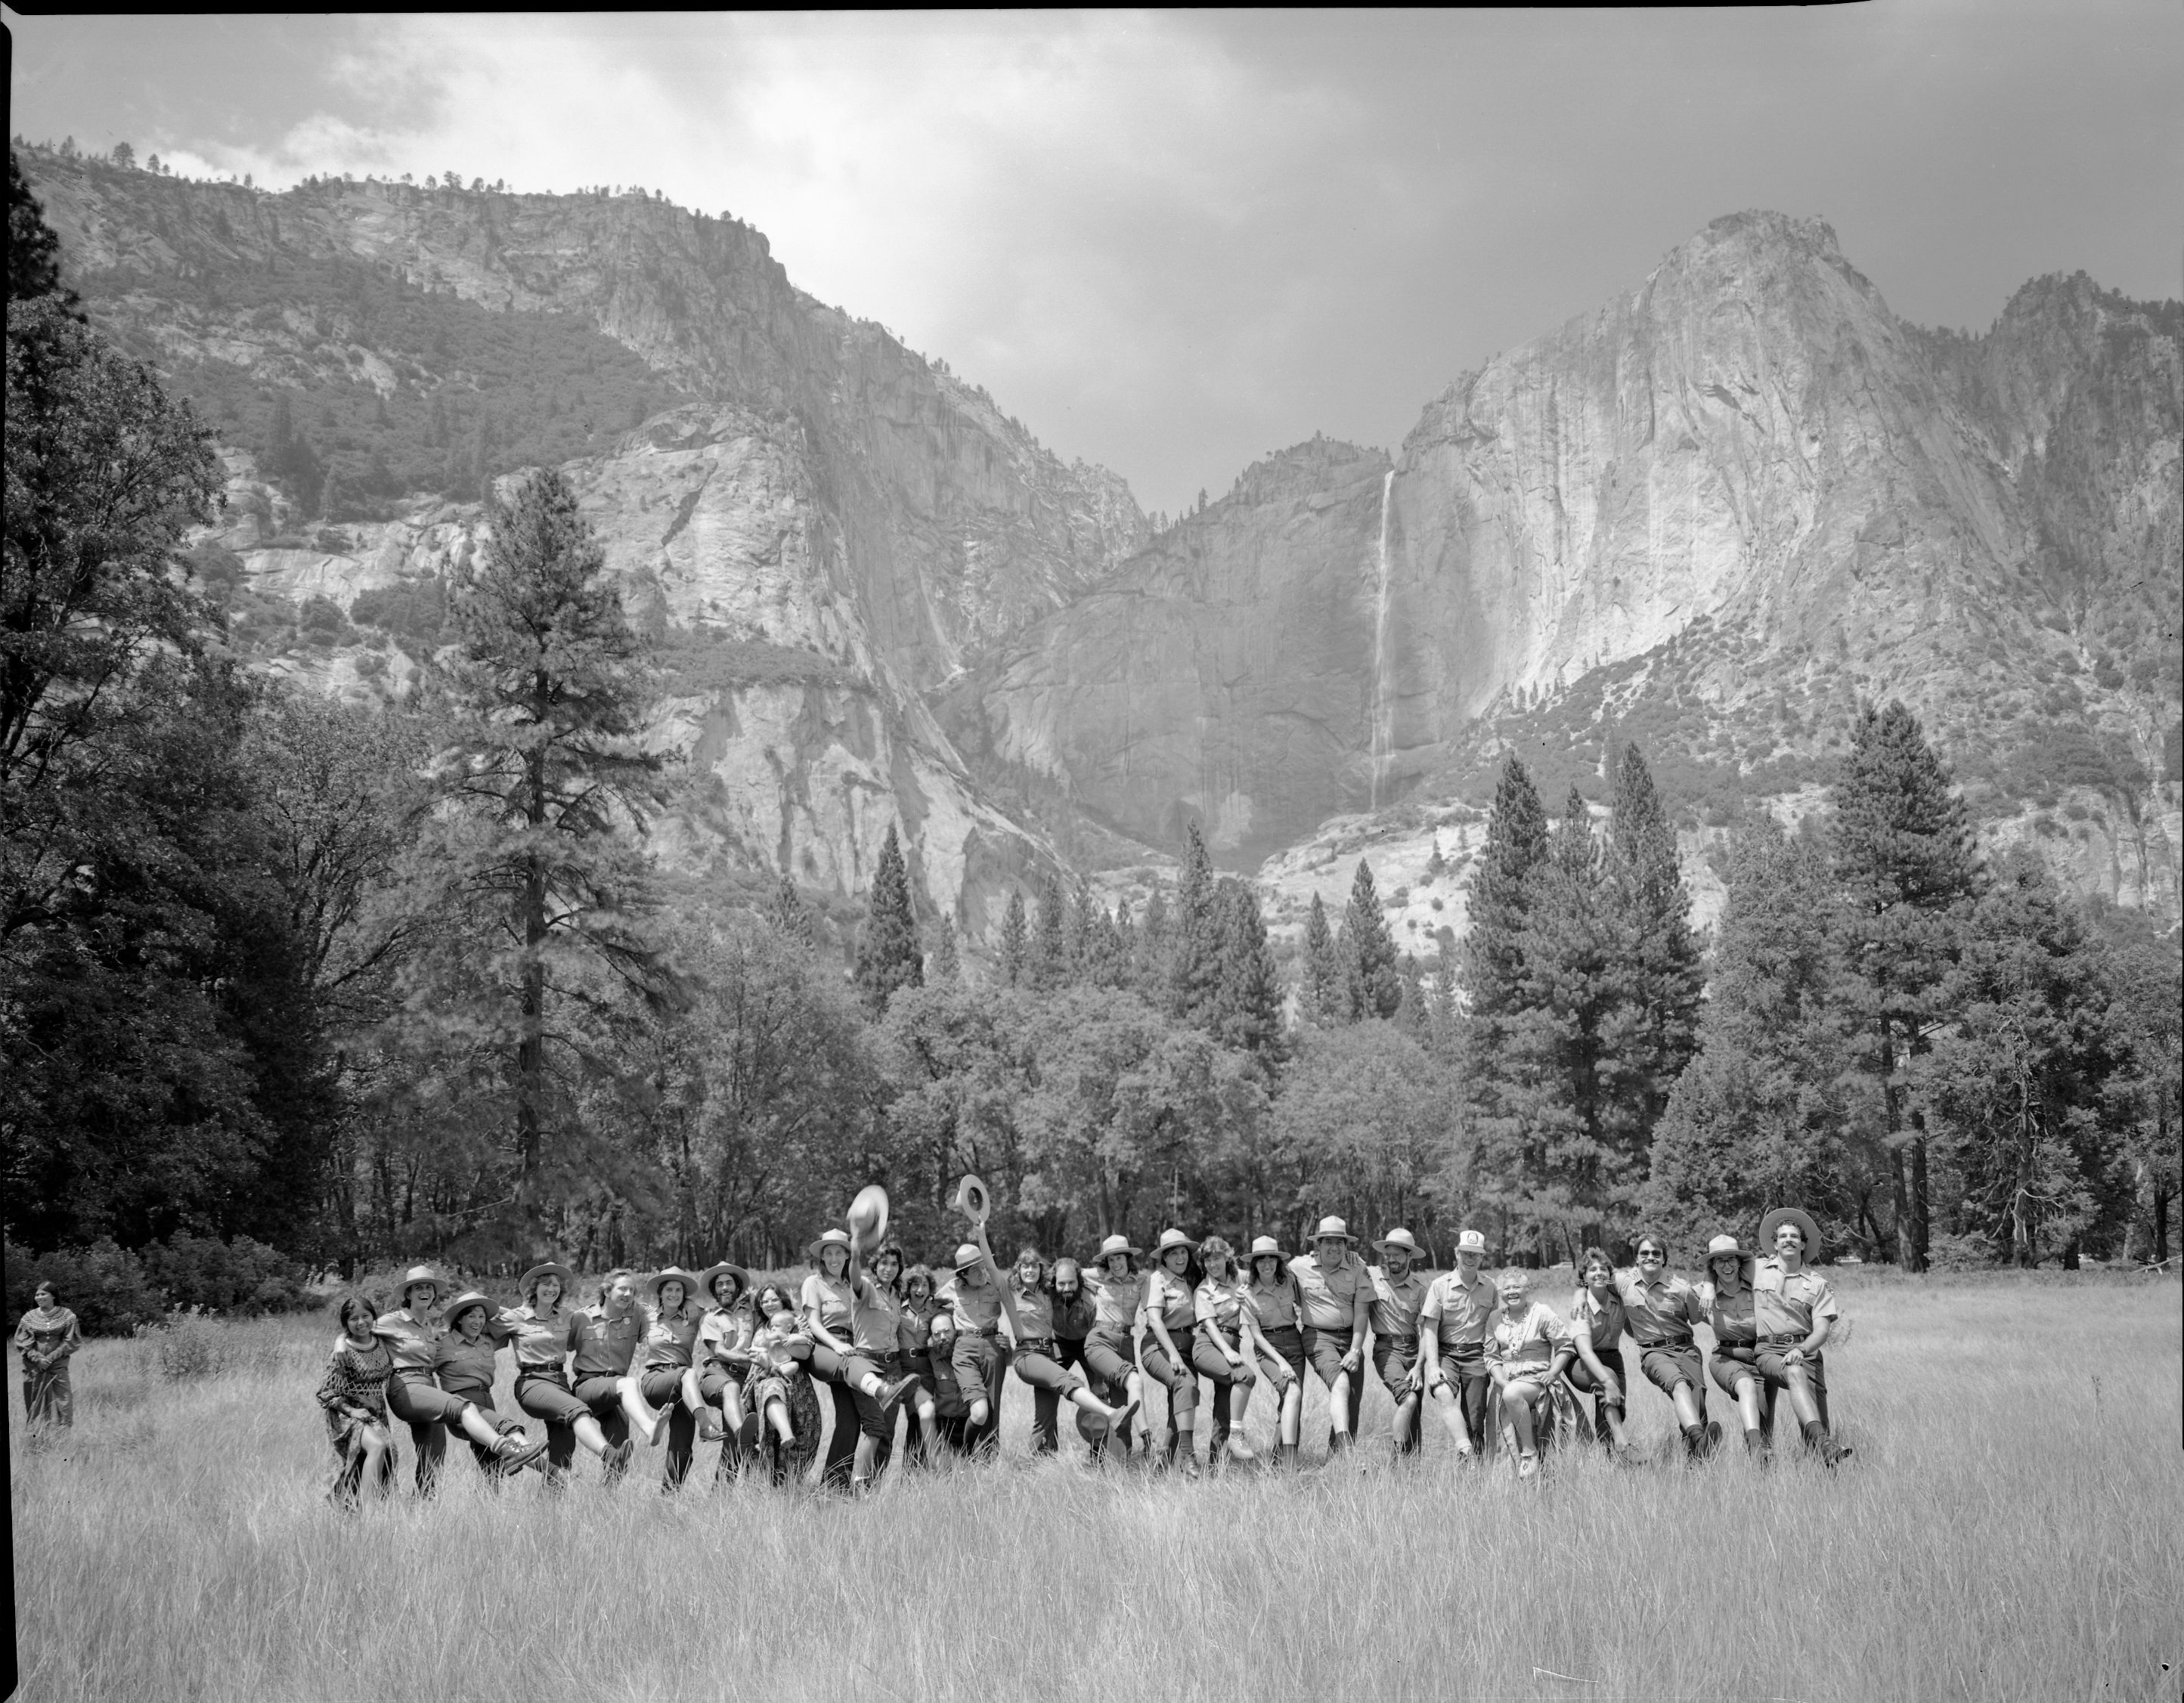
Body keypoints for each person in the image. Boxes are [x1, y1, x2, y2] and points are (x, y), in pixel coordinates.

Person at [377, 1265, 543, 1493]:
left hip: (430, 1388)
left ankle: (424, 1503)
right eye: (419, 1287)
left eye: (429, 1287)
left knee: (434, 1454)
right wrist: (341, 1342)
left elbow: (515, 1323)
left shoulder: (428, 1327)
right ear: (408, 1293)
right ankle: (508, 1449)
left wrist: (489, 1305)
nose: (425, 1291)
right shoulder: (393, 1321)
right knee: (462, 1406)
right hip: (406, 1385)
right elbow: (360, 1328)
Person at [800, 1228, 919, 1492]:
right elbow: (813, 1323)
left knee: (850, 1421)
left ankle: (834, 1486)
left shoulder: (851, 1286)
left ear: (846, 1256)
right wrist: (837, 1345)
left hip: (854, 1355)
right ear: (821, 1257)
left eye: (839, 1253)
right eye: (828, 1253)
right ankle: (883, 1390)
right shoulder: (814, 1283)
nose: (833, 1258)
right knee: (871, 1417)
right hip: (826, 1346)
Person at [500, 1262, 634, 1483]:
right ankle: (609, 1454)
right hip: (532, 1382)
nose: (551, 1289)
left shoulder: (567, 1316)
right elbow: (479, 1323)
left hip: (559, 1382)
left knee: (564, 1442)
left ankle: (551, 1498)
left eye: (555, 1285)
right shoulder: (517, 1316)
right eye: (545, 1284)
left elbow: (601, 1314)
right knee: (577, 1409)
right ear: (534, 1288)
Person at [1008, 1245, 1135, 1455]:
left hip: (1088, 1342)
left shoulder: (1090, 1302)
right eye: (1062, 1283)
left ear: (1079, 1282)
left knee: (1099, 1395)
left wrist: (1099, 1379)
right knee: (1049, 1386)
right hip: (1059, 1343)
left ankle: (1100, 1452)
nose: (1066, 1288)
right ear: (1054, 1282)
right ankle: (1046, 1449)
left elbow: (1098, 1340)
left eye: (1071, 1283)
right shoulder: (1048, 1292)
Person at [1753, 1207, 1852, 1467]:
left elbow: (1821, 1329)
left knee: (1818, 1420)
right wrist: (1708, 1286)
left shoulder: (1818, 1283)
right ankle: (1764, 1475)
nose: (1789, 1240)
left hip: (1804, 1352)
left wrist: (1803, 1349)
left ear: (1803, 1243)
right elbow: (1719, 1266)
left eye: (1794, 1236)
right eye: (1783, 1236)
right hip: (1767, 1350)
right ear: (1774, 1243)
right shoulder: (1754, 1270)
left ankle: (1823, 1473)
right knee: (1760, 1417)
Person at [1616, 1233, 1718, 1461]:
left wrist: (1710, 1287)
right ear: (1636, 1258)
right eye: (1644, 1253)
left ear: (1664, 1259)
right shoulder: (1623, 1283)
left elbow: (1698, 1317)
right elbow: (1591, 1278)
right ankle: (1701, 1440)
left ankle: (1696, 1462)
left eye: (1656, 1253)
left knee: (1697, 1403)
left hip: (1686, 1350)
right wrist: (1579, 1297)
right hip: (1653, 1352)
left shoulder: (1681, 1288)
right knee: (1679, 1384)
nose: (1650, 1257)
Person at [433, 1290, 549, 1482]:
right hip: (460, 1406)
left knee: (492, 1466)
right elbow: (423, 1368)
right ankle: (552, 1471)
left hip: (487, 1402)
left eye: (481, 1316)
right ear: (459, 1319)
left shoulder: (487, 1341)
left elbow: (518, 1321)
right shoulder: (443, 1344)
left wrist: (493, 1306)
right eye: (471, 1316)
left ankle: (484, 1505)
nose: (477, 1321)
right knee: (508, 1428)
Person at [621, 1267, 715, 1490]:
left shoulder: (694, 1315)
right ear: (660, 1294)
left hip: (685, 1388)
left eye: (679, 1291)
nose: (674, 1294)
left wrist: (693, 1305)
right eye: (669, 1290)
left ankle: (669, 1495)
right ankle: (706, 1424)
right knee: (689, 1373)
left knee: (683, 1446)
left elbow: (718, 1313)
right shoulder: (646, 1315)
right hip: (656, 1381)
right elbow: (621, 1303)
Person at [1290, 1217, 1372, 1454]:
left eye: (1340, 1242)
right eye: (1328, 1242)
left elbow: (1362, 1312)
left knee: (1352, 1401)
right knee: (1341, 1384)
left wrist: (1356, 1350)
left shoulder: (1358, 1267)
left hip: (1350, 1339)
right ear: (1319, 1244)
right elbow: (1268, 1274)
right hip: (1318, 1337)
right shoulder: (1298, 1267)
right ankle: (1348, 1451)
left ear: (1347, 1246)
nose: (1334, 1247)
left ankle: (1337, 1462)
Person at [1485, 1268, 1576, 1479]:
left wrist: (1553, 1373)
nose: (1512, 1292)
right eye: (1507, 1288)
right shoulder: (1495, 1318)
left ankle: (1529, 1453)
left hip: (1537, 1380)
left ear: (1527, 1289)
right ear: (1500, 1293)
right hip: (1506, 1381)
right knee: (1509, 1393)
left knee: (1512, 1394)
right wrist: (1501, 1381)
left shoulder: (1541, 1312)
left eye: (1517, 1287)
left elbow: (1565, 1346)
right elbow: (1491, 1357)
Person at [315, 1294, 398, 1509]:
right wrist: (352, 1411)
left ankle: (358, 1509)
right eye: (353, 1319)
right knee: (378, 1446)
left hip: (375, 1412)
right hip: (346, 1414)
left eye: (365, 1316)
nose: (361, 1322)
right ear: (346, 1324)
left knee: (384, 1455)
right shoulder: (342, 1352)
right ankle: (369, 1511)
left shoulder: (382, 1342)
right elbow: (325, 1393)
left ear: (373, 1316)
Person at [936, 1223, 1012, 1455]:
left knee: (992, 1407)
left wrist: (1009, 1343)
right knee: (978, 1410)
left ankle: (989, 1458)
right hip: (964, 1348)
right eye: (975, 1270)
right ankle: (965, 1454)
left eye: (982, 1267)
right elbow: (934, 1302)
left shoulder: (995, 1286)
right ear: (963, 1275)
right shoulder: (952, 1289)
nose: (982, 1272)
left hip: (992, 1346)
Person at [1420, 1228, 1496, 1460]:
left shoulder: (1491, 1287)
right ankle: (1464, 1450)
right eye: (1465, 1253)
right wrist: (1433, 1366)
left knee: (1475, 1419)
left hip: (1477, 1356)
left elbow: (1494, 1328)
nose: (1470, 1258)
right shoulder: (1440, 1286)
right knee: (1443, 1392)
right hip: (1447, 1354)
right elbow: (1430, 1329)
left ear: (1482, 1257)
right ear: (1457, 1253)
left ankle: (1474, 1468)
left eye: (1475, 1254)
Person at [1137, 1228, 1207, 1475]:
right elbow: (1155, 1321)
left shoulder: (1192, 1279)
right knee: (1186, 1386)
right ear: (1163, 1257)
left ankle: (1162, 1467)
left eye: (1183, 1252)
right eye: (1173, 1253)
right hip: (1159, 1346)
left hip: (1187, 1345)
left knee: (1180, 1405)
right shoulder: (1157, 1280)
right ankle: (1188, 1454)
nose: (1180, 1258)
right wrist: (1174, 1355)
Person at [1190, 1237, 1262, 1466]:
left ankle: (1216, 1469)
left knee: (1224, 1410)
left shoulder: (1240, 1278)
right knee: (1245, 1376)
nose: (1213, 1264)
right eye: (1208, 1260)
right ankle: (1237, 1435)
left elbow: (1267, 1274)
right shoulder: (1203, 1290)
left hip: (1233, 1343)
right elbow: (1209, 1326)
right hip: (1209, 1346)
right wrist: (1227, 1352)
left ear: (1227, 1257)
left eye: (1217, 1257)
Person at [868, 1243, 941, 1463]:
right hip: (903, 1368)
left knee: (919, 1418)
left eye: (925, 1285)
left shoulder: (936, 1310)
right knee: (899, 1417)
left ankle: (916, 1471)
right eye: (915, 1285)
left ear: (930, 1289)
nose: (920, 1290)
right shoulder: (898, 1307)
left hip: (926, 1369)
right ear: (908, 1287)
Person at [1698, 1235, 1767, 1459]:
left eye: (1731, 1260)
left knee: (1764, 1426)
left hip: (1759, 1357)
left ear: (1740, 1262)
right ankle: (1756, 1449)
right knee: (1745, 1385)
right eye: (1720, 1261)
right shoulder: (1700, 1292)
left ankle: (1761, 1466)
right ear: (1713, 1266)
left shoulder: (1758, 1284)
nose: (1727, 1266)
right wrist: (1709, 1285)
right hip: (1725, 1357)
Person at [745, 1283, 822, 1484]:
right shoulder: (761, 1326)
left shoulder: (796, 1322)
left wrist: (783, 1341)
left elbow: (804, 1353)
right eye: (764, 1301)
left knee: (801, 1434)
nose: (769, 1304)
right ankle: (768, 1487)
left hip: (793, 1381)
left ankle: (789, 1487)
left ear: (783, 1300)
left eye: (774, 1299)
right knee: (771, 1391)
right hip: (763, 1379)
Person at [1565, 1246, 1636, 1460]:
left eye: (1603, 1269)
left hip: (1613, 1358)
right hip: (1580, 1362)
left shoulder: (1618, 1299)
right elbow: (1585, 1352)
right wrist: (1607, 1380)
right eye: (1592, 1269)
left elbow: (1634, 1331)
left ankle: (1610, 1461)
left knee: (1613, 1406)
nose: (1599, 1273)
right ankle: (1623, 1444)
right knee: (1609, 1384)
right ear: (1584, 1277)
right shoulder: (1581, 1306)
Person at [1080, 1234, 1148, 1456]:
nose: (1116, 1264)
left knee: (1123, 1407)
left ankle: (1121, 1462)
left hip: (1126, 1343)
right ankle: (1101, 1451)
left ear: (1128, 1258)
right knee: (1117, 1393)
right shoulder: (1097, 1277)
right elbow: (1069, 1272)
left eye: (1119, 1258)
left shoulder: (1141, 1281)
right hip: (1101, 1337)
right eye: (1111, 1260)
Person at [1365, 1229, 1431, 1459]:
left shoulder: (1421, 1290)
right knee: (1408, 1397)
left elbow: (1426, 1333)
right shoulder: (1371, 1275)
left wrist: (1419, 1366)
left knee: (1415, 1412)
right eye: (1388, 1255)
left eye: (1397, 1255)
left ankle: (1411, 1467)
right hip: (1386, 1349)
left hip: (1414, 1352)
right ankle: (1395, 1460)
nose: (1391, 1259)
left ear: (1409, 1256)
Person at [694, 1261, 759, 1478]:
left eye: (729, 1283)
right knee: (731, 1389)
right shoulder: (710, 1318)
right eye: (720, 1284)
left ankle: (723, 1494)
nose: (724, 1288)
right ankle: (743, 1433)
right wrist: (747, 1358)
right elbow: (719, 1351)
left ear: (737, 1287)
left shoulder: (751, 1310)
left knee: (733, 1444)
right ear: (714, 1290)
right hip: (717, 1373)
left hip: (746, 1378)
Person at [1244, 1236, 1306, 1463]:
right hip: (1268, 1348)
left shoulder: (1289, 1280)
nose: (1267, 1264)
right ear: (1254, 1264)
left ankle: (1279, 1460)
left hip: (1294, 1341)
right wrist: (1281, 1362)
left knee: (1292, 1400)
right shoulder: (1247, 1293)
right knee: (1293, 1392)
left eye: (1272, 1259)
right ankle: (1289, 1464)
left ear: (1279, 1262)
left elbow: (1306, 1304)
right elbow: (1257, 1336)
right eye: (1261, 1260)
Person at [14, 1280, 80, 1432]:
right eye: (37, 1295)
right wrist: (38, 1358)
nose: (39, 1297)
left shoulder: (67, 1315)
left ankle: (62, 1434)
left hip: (58, 1364)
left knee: (62, 1398)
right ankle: (37, 1434)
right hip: (34, 1365)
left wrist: (50, 1358)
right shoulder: (29, 1317)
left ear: (54, 1296)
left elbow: (70, 1341)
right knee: (35, 1398)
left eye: (43, 1294)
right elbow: (23, 1341)